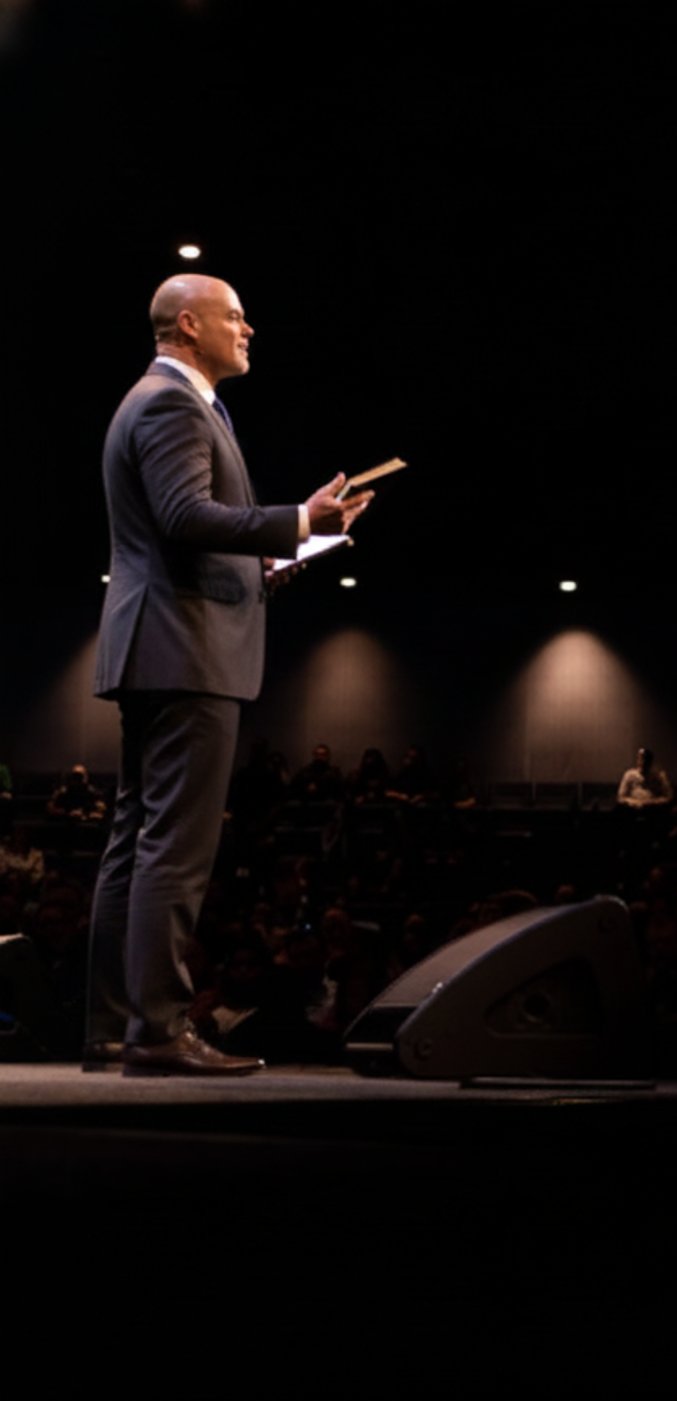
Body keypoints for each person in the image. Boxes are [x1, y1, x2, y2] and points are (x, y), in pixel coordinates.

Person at [86, 273, 370, 1076]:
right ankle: (157, 1031)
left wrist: (277, 554)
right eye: (235, 317)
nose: (249, 329)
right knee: (174, 847)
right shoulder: (173, 402)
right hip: (185, 647)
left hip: (162, 639)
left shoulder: (157, 400)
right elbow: (183, 517)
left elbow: (183, 535)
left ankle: (114, 1025)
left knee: (135, 843)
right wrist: (298, 519)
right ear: (188, 324)